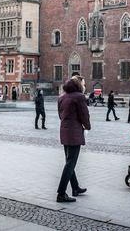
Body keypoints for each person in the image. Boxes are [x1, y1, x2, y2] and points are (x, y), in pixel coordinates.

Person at [57, 75, 90, 203]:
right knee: (70, 163)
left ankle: (75, 188)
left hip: (64, 131)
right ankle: (61, 193)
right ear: (79, 85)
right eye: (83, 83)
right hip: (74, 132)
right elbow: (84, 115)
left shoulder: (62, 97)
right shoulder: (79, 97)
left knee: (69, 161)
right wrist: (87, 126)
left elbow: (60, 114)